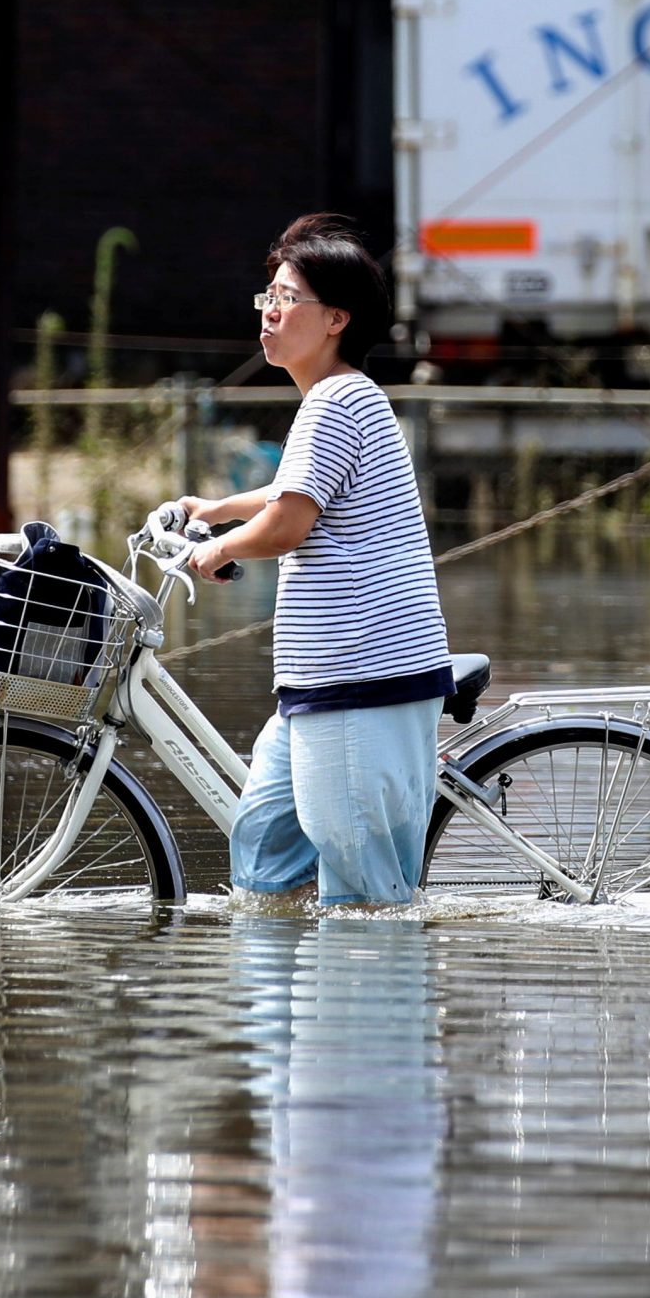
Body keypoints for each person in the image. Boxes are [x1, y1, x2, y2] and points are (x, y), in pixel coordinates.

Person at [171, 214, 451, 910]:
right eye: (266, 294)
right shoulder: (336, 403)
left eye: (287, 297)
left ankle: (363, 1001)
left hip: (361, 674)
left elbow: (290, 522)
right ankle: (286, 1011)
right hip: (317, 684)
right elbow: (291, 489)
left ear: (335, 319)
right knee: (264, 857)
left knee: (363, 893)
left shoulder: (337, 400)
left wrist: (218, 548)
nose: (269, 310)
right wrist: (215, 507)